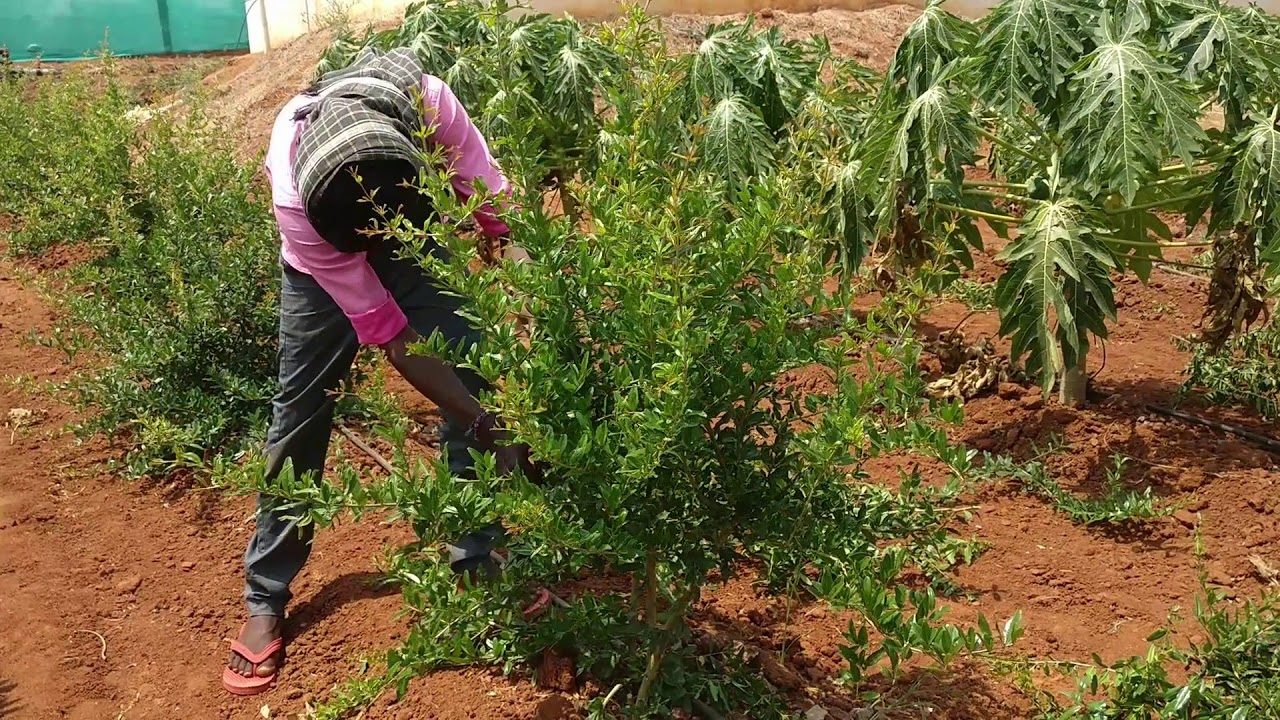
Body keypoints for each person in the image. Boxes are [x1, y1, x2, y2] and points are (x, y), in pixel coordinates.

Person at [223, 47, 533, 696]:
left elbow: (490, 197)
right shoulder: (297, 197)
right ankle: (265, 597)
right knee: (300, 414)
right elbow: (395, 339)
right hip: (320, 268)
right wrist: (489, 428)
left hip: (410, 225)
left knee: (468, 361)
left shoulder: (429, 107)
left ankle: (477, 560)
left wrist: (531, 294)